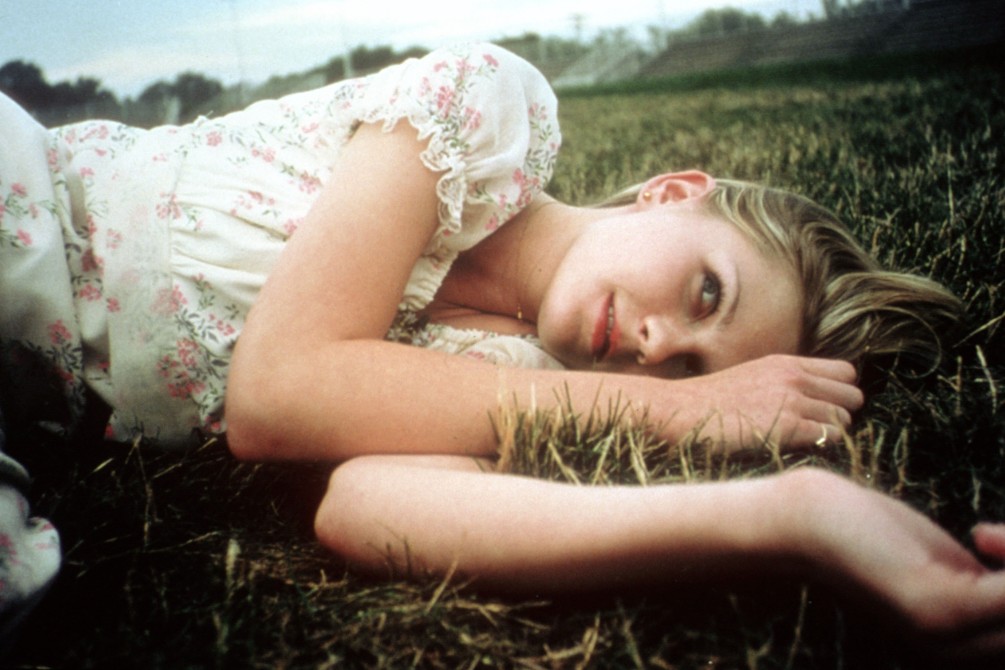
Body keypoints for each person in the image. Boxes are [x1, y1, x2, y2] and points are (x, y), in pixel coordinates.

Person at [1, 42, 1001, 656]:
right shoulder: (478, 116)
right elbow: (277, 392)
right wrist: (681, 409)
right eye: (707, 291)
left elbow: (367, 509)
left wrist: (792, 515)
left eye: (692, 369)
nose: (656, 347)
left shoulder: (523, 380)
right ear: (673, 192)